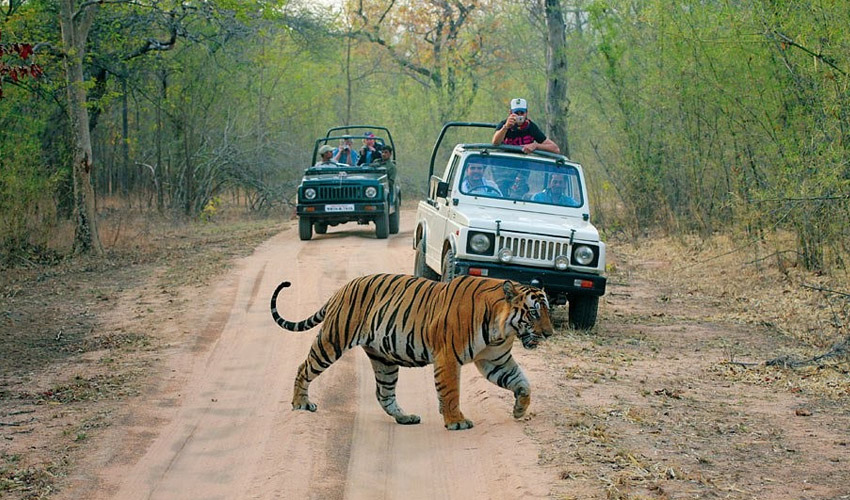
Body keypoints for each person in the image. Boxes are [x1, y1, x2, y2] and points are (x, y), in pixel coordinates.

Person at [492, 97, 560, 154]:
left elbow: (555, 149)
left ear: (526, 113)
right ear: (510, 113)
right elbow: (495, 142)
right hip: (505, 161)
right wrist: (506, 127)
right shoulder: (504, 124)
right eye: (516, 113)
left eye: (522, 113)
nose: (519, 116)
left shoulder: (531, 127)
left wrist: (536, 146)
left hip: (524, 163)